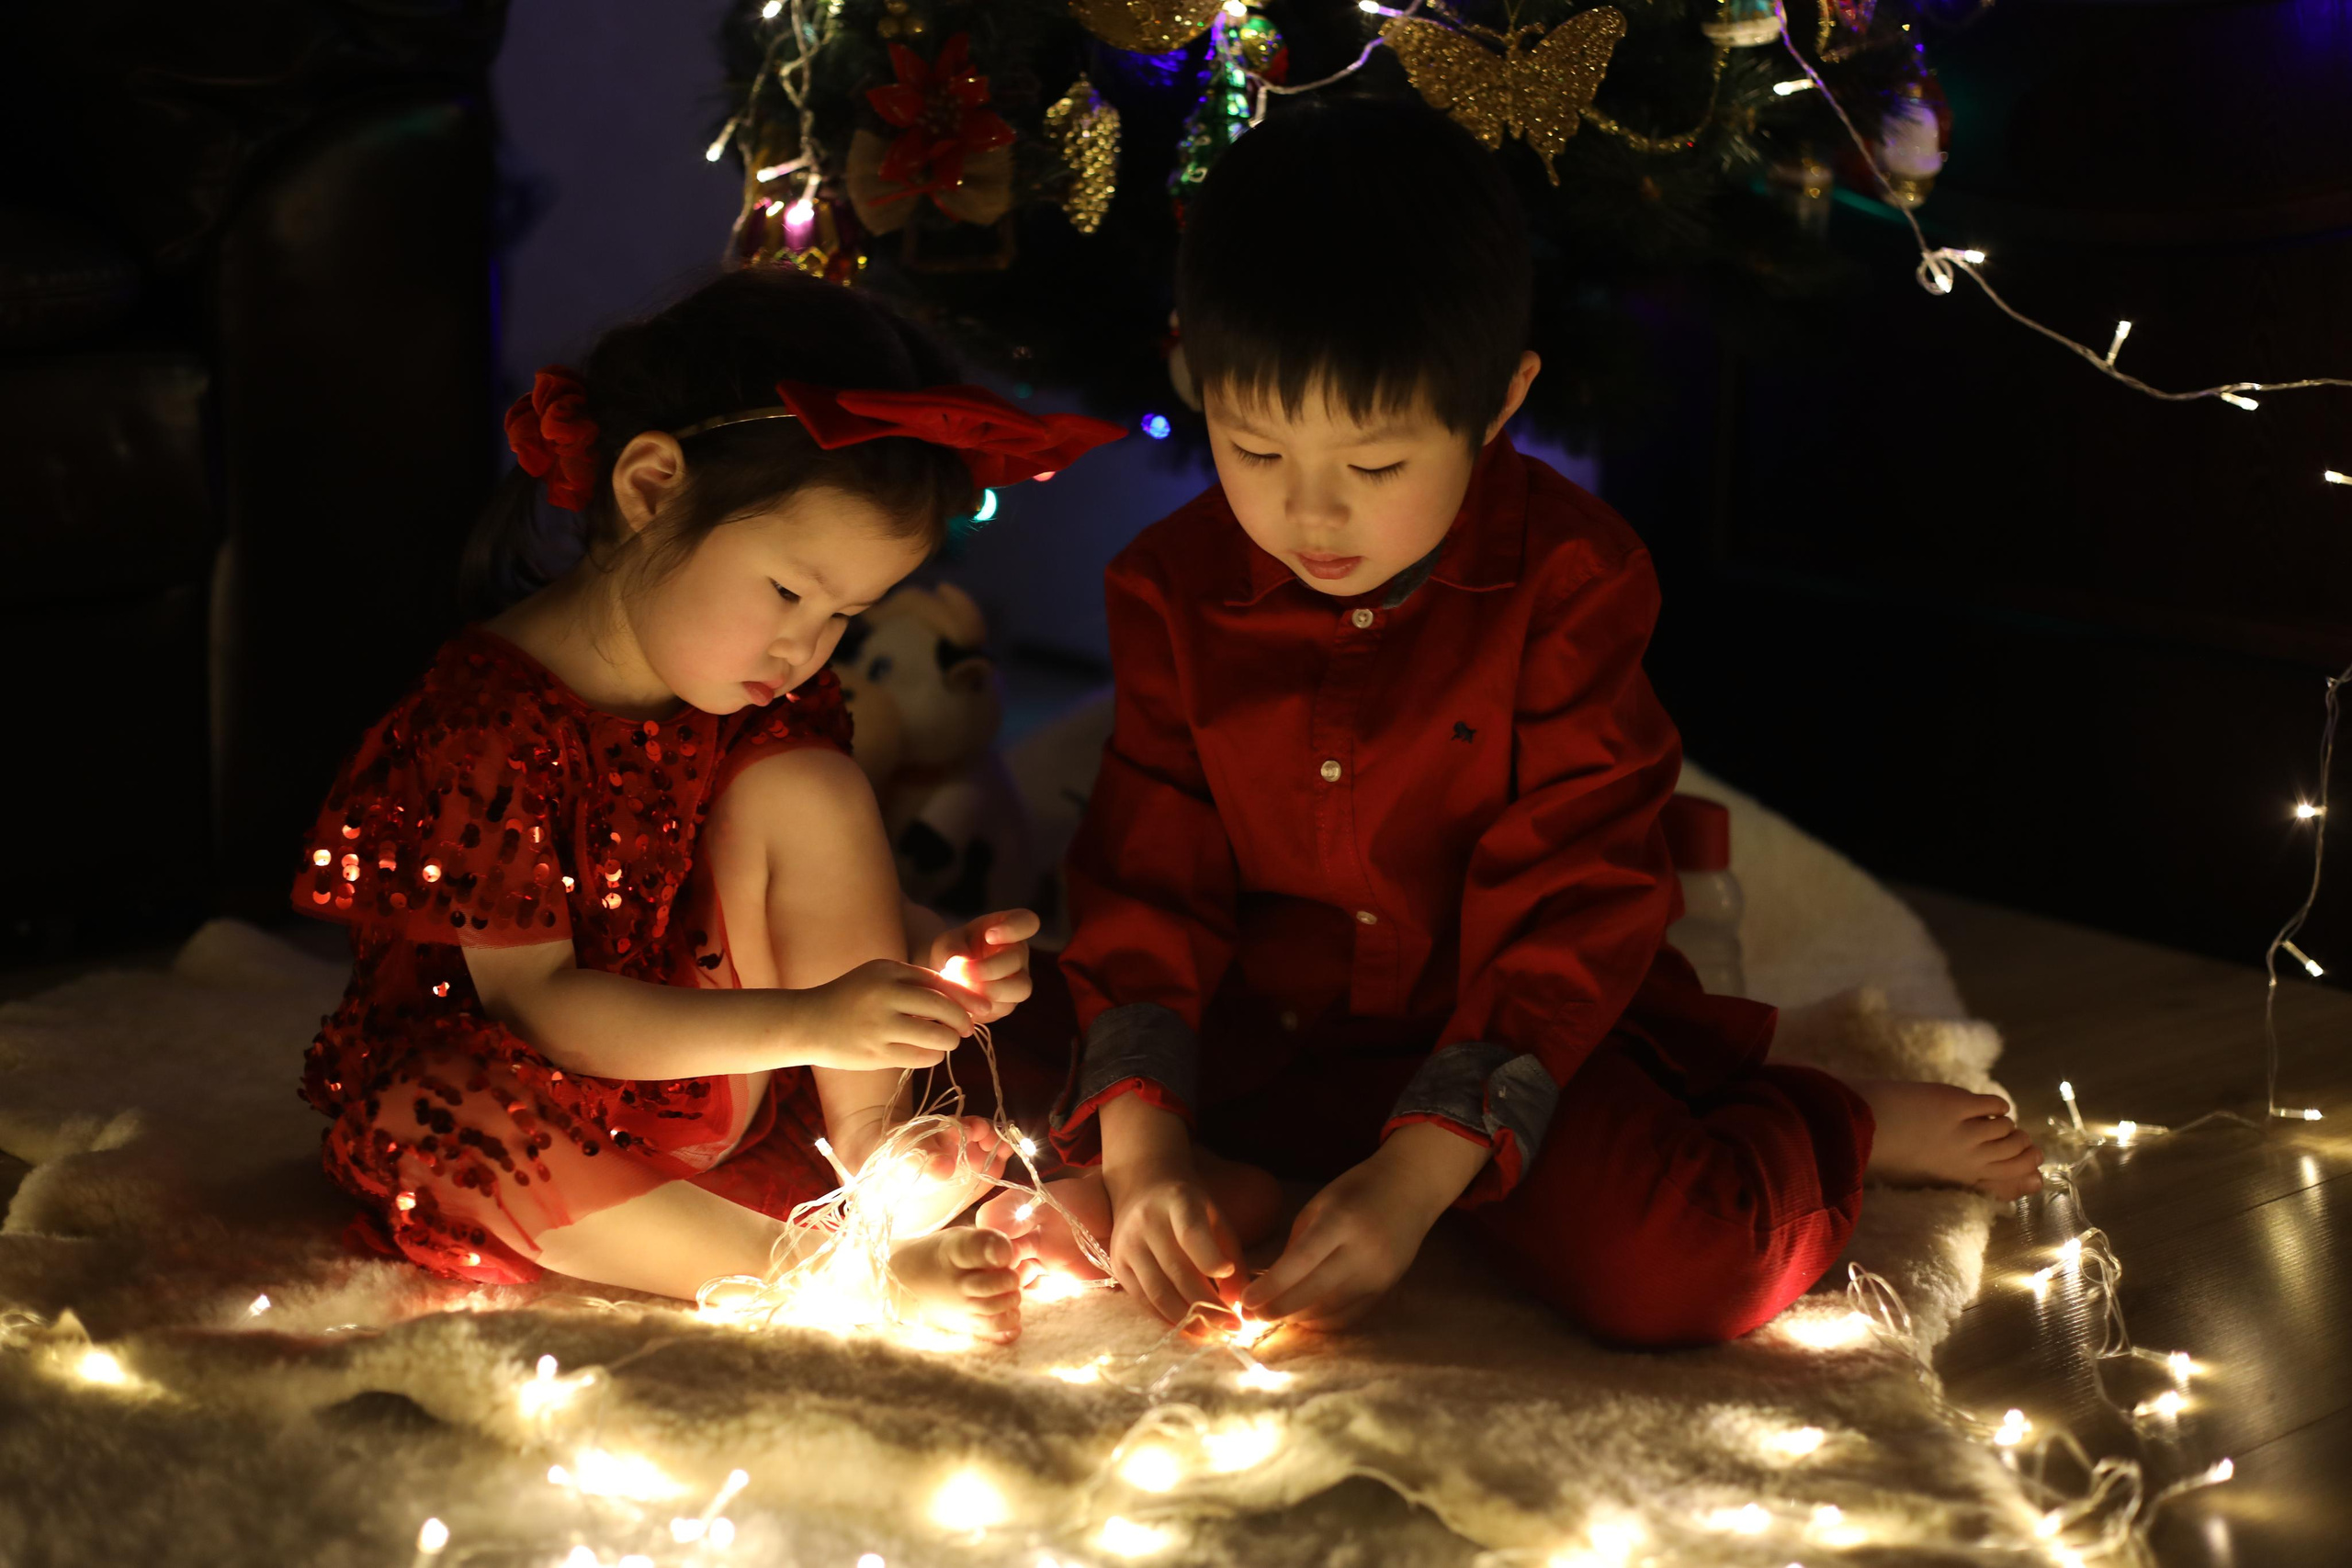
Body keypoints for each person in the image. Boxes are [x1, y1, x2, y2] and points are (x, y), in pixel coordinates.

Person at [980, 100, 2042, 1346]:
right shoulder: (1170, 586)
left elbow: (1572, 900)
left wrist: (1421, 1171)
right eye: (1253, 447)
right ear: (1192, 377)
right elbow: (1150, 872)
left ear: (1498, 404)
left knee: (1685, 1264)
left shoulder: (1572, 584)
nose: (1309, 512)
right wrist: (1148, 1137)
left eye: (1374, 468)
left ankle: (1833, 1117)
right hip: (1262, 1028)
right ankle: (1246, 1172)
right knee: (964, 1065)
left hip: (1499, 1036)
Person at [295, 267, 1120, 1342]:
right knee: (429, 1116)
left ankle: (872, 1163)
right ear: (649, 489)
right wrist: (811, 1020)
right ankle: (821, 1267)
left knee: (811, 785)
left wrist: (923, 961)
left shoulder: (758, 695)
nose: (806, 646)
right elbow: (542, 1011)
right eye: (787, 592)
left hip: (723, 1074)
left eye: (846, 615)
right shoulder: (485, 729)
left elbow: (800, 901)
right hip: (546, 1095)